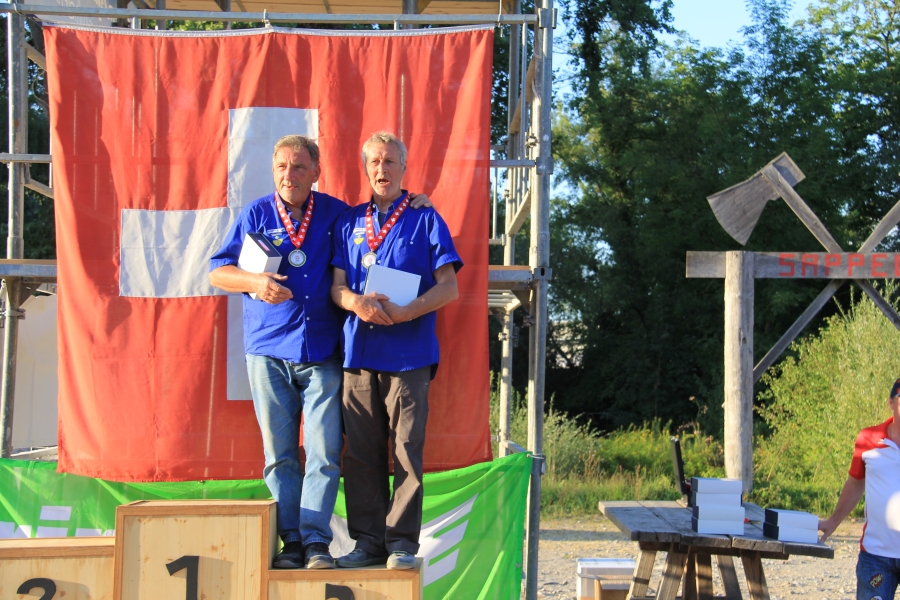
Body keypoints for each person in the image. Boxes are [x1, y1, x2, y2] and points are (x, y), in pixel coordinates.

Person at [209, 135, 431, 570]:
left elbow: (381, 212)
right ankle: (291, 542)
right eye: (281, 168)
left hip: (323, 352)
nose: (288, 176)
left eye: (297, 168)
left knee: (326, 452)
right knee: (280, 456)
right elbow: (219, 272)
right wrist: (255, 283)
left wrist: (416, 200)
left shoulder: (335, 213)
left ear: (316, 171)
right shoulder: (256, 213)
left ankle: (316, 543)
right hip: (268, 350)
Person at [330, 131, 462, 570]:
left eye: (390, 162)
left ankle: (401, 543)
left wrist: (408, 312)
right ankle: (367, 541)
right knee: (360, 453)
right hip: (358, 353)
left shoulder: (426, 219)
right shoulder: (348, 221)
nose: (382, 170)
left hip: (409, 354)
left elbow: (449, 287)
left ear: (403, 168)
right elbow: (336, 288)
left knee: (406, 448)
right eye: (374, 162)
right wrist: (356, 302)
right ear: (365, 169)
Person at [818, 379, 900, 600]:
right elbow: (855, 482)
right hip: (876, 557)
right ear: (891, 403)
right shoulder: (868, 439)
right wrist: (833, 521)